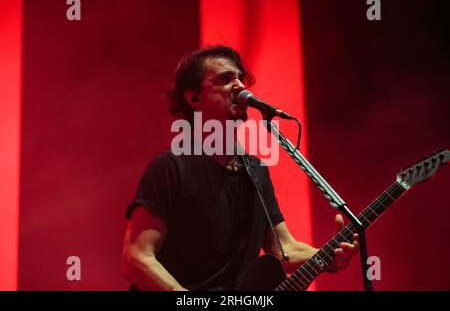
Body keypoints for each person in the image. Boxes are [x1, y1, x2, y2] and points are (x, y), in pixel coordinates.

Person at [121, 45, 359, 291]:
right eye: (225, 79)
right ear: (194, 98)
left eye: (240, 79)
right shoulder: (170, 168)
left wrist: (330, 256)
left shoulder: (254, 170)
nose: (241, 86)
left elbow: (284, 250)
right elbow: (136, 258)